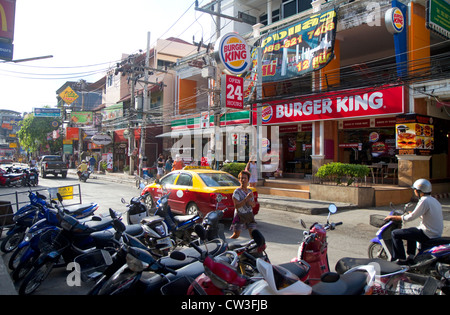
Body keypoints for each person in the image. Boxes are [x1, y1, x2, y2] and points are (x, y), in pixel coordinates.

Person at [385, 178, 444, 264]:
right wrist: (414, 213)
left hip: (428, 233)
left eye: (415, 190)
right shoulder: (434, 200)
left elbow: (410, 218)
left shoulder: (424, 200)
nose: (415, 192)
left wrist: (395, 217)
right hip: (435, 232)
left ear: (420, 191)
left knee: (395, 233)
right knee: (411, 232)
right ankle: (411, 257)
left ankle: (400, 260)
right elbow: (428, 215)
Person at [231, 170, 256, 239]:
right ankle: (227, 245)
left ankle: (254, 248)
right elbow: (237, 206)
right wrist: (246, 199)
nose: (243, 180)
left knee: (253, 233)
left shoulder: (250, 191)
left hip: (249, 214)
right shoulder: (237, 192)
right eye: (241, 178)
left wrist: (250, 203)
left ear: (248, 180)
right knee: (236, 234)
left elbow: (253, 204)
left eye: (245, 178)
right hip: (239, 215)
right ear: (239, 180)